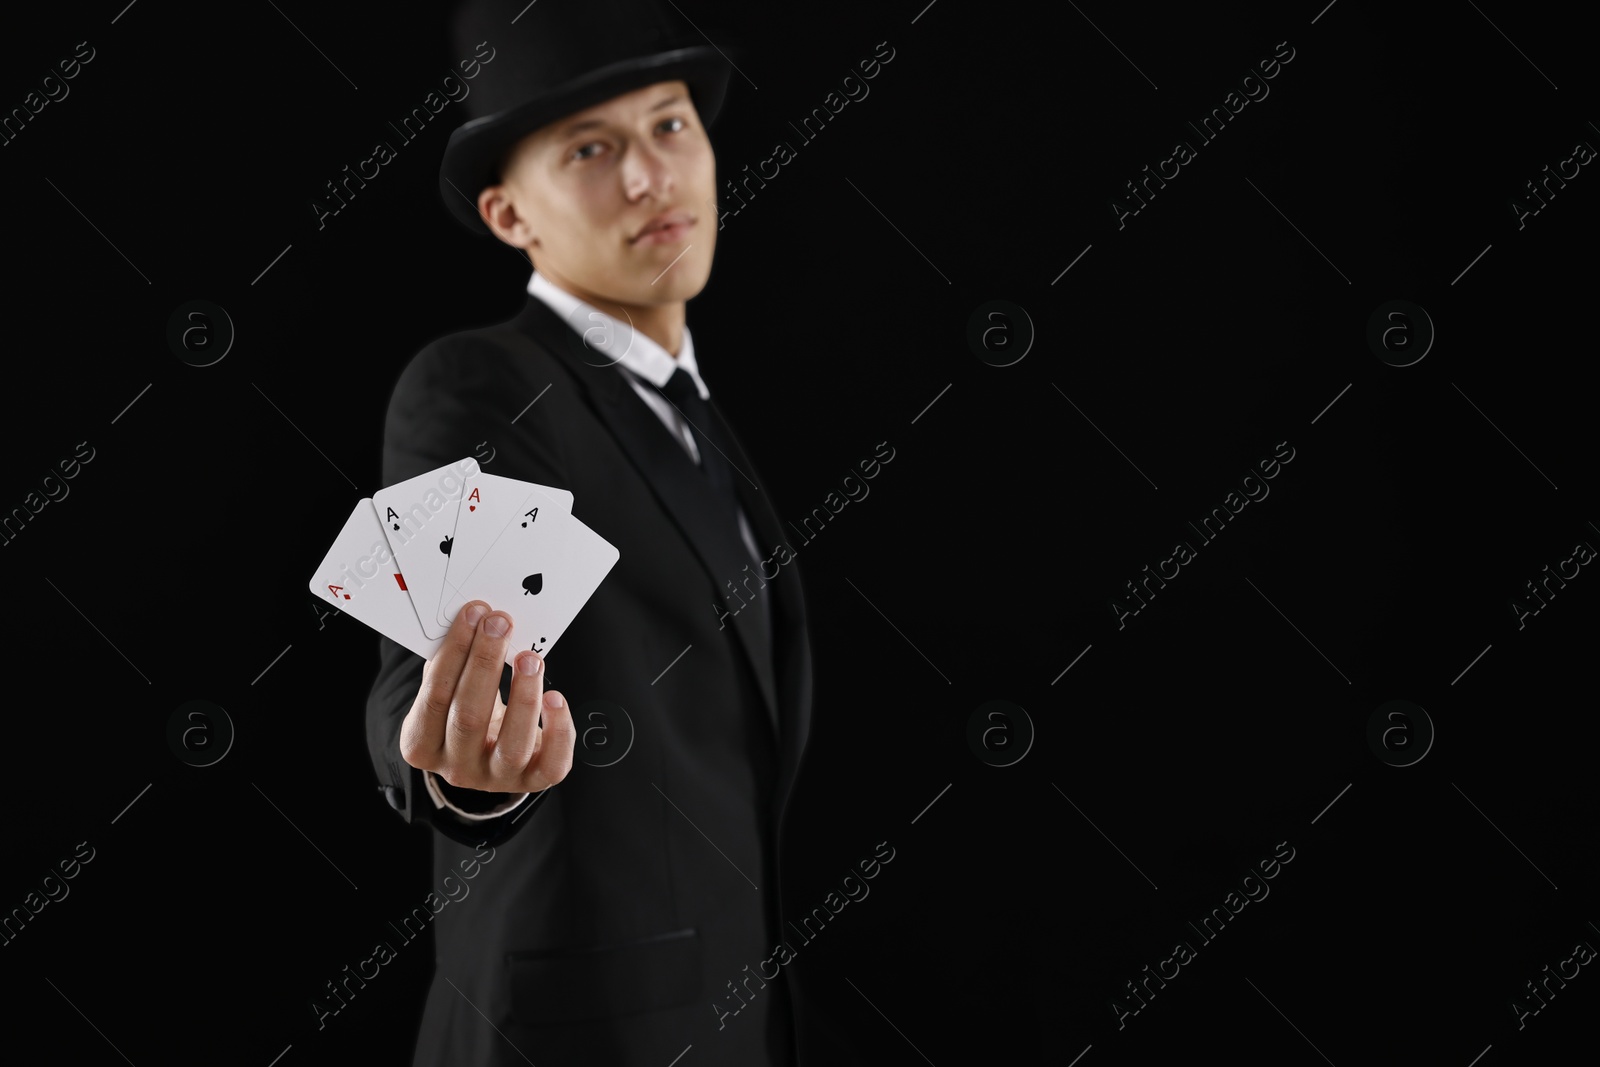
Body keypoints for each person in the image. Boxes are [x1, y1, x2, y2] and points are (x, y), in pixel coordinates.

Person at [364, 2, 816, 1064]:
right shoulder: (480, 386)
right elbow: (415, 683)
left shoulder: (698, 419)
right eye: (589, 148)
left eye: (669, 126)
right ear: (509, 215)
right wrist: (462, 775)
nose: (650, 177)